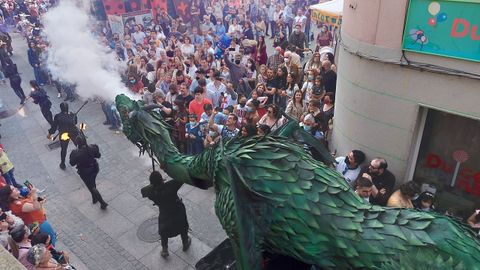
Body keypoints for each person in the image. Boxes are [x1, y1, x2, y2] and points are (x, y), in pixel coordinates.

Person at [145, 171, 191, 258]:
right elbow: (180, 179)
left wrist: (155, 186)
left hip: (164, 214)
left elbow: (147, 191)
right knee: (183, 226)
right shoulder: (171, 187)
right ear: (161, 180)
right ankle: (185, 242)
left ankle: (164, 250)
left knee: (164, 232)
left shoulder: (151, 194)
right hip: (177, 211)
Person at [69, 136, 108, 210]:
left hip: (85, 172)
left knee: (91, 187)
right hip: (95, 168)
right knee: (92, 182)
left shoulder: (75, 153)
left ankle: (102, 202)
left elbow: (72, 163)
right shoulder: (93, 147)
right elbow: (98, 155)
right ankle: (94, 198)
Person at [48, 102, 79, 170]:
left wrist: (49, 134)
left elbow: (54, 127)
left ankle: (62, 164)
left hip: (64, 134)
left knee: (64, 149)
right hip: (74, 132)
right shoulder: (73, 114)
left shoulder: (57, 116)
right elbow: (76, 122)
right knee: (79, 146)